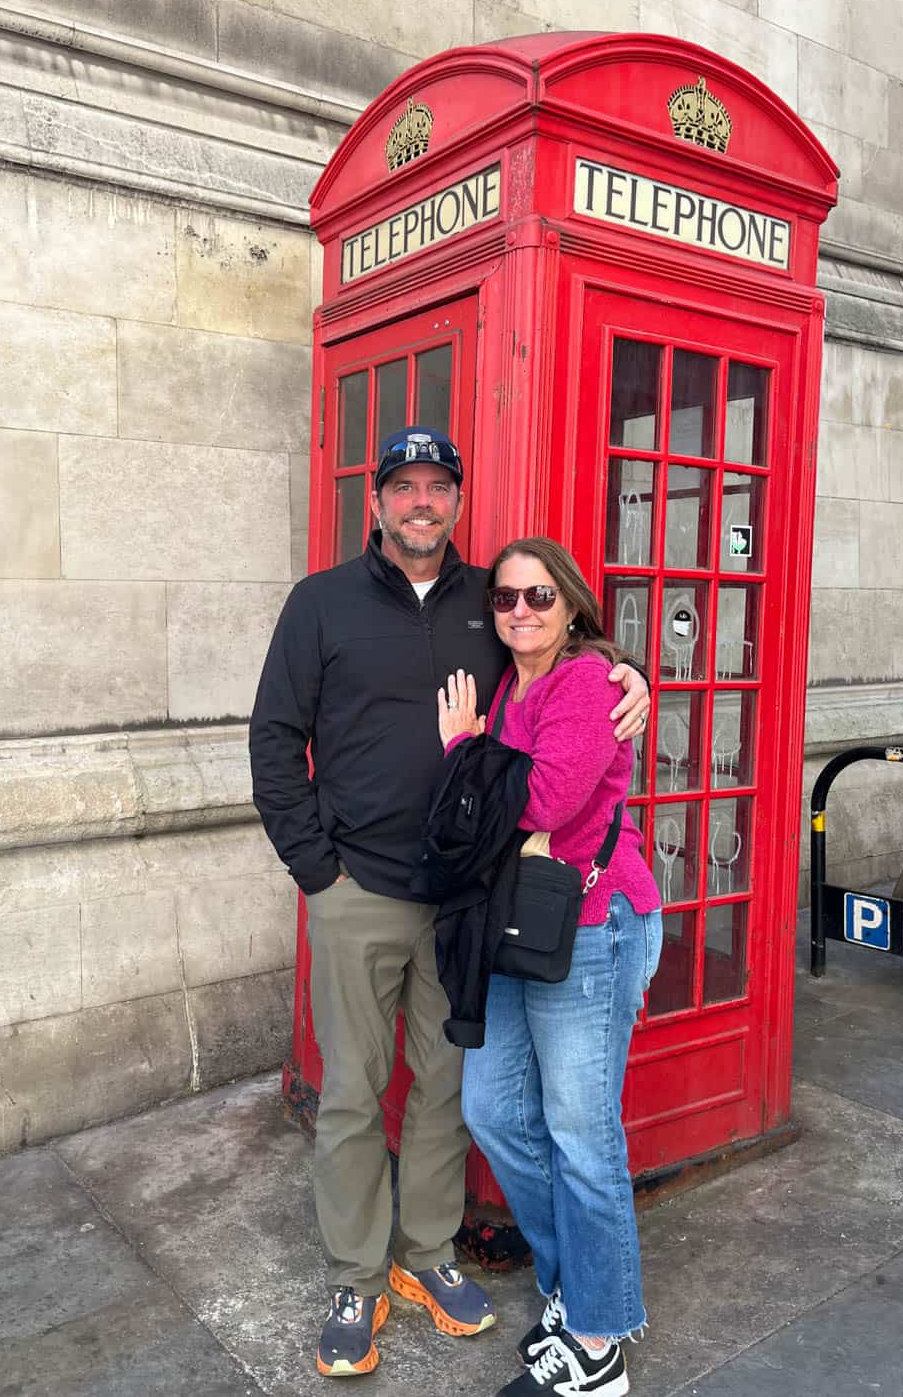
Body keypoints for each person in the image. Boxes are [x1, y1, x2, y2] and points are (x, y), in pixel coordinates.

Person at [249, 428, 650, 1379]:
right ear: (377, 502)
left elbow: (577, 661)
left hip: (471, 900)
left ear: (457, 503)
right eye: (405, 487)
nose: (421, 503)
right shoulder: (320, 604)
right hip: (359, 889)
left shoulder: (492, 598)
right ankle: (356, 1273)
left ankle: (425, 1253)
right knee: (352, 1089)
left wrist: (637, 677)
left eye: (438, 487)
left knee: (447, 1092)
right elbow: (273, 740)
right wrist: (317, 871)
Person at [437, 537, 663, 1397]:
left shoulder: (583, 681)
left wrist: (462, 749)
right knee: (492, 1111)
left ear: (570, 605)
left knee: (580, 1133)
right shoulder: (512, 681)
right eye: (504, 600)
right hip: (515, 923)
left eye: (537, 597)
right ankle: (573, 1289)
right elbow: (510, 804)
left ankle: (599, 1342)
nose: (519, 612)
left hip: (594, 925)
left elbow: (542, 800)